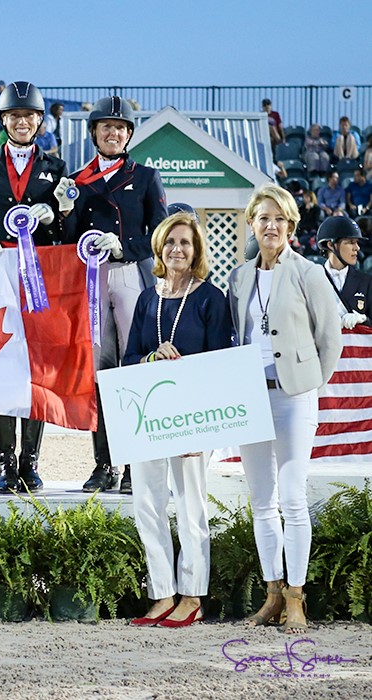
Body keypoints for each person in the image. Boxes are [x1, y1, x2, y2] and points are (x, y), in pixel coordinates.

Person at [229, 184, 343, 634]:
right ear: (252, 225)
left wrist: (309, 384)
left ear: (291, 226)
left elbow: (330, 338)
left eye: (279, 219)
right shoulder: (239, 277)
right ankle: (272, 593)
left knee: (293, 497)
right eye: (263, 218)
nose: (271, 226)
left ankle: (297, 596)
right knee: (261, 502)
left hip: (294, 396)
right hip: (250, 395)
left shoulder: (309, 274)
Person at [123, 211, 232, 628]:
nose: (177, 250)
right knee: (147, 505)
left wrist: (204, 427)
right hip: (150, 416)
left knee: (190, 507)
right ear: (159, 248)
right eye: (171, 242)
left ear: (197, 250)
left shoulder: (210, 298)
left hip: (192, 418)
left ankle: (192, 596)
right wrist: (154, 356)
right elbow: (130, 356)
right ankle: (163, 594)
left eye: (185, 243)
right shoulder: (147, 299)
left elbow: (220, 362)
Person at [0, 81, 68, 494]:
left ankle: (31, 461)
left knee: (36, 368)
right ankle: (5, 463)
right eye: (14, 116)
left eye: (29, 116)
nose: (22, 122)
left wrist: (56, 212)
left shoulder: (56, 169)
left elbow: (69, 230)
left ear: (40, 122)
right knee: (1, 368)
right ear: (4, 120)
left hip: (38, 280)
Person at [64, 95, 168, 495]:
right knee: (100, 373)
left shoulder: (145, 176)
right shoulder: (76, 180)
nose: (113, 132)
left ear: (128, 135)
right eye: (106, 127)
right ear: (95, 133)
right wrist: (63, 211)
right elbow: (69, 237)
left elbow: (158, 233)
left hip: (126, 274)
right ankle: (104, 463)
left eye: (120, 128)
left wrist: (123, 244)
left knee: (134, 367)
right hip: (90, 280)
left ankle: (135, 467)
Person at [316, 215, 372, 329]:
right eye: (350, 242)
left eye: (356, 242)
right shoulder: (312, 280)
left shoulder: (367, 282)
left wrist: (364, 320)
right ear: (331, 244)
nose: (357, 248)